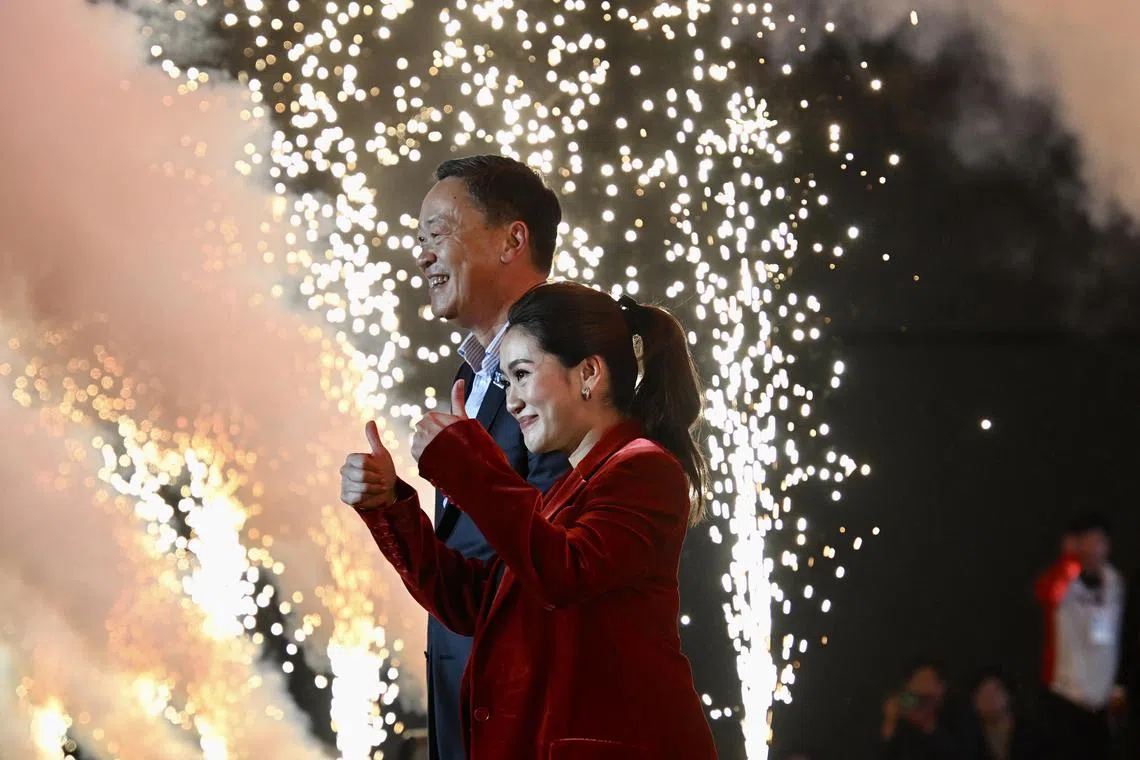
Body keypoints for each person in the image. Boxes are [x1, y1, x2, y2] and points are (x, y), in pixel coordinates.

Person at [340, 282, 718, 759]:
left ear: (588, 373)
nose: (513, 402)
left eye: (521, 374)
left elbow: (564, 573)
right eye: (507, 381)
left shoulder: (644, 467)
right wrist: (390, 505)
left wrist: (471, 466)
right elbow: (478, 605)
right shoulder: (569, 485)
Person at [405, 155, 570, 760]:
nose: (422, 255)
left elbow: (552, 553)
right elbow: (466, 567)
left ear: (512, 240)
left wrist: (461, 466)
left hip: (530, 717)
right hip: (474, 707)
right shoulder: (473, 377)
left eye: (437, 234)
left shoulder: (564, 365)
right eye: (417, 240)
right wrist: (390, 507)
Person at [1035, 513, 1125, 760]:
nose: (1094, 549)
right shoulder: (1063, 579)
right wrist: (1070, 562)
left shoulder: (1115, 582)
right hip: (1066, 695)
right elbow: (1046, 595)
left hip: (1102, 699)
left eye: (1100, 542)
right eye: (1087, 541)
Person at [880, 659, 974, 760]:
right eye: (916, 681)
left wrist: (928, 725)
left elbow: (963, 754)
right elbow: (883, 755)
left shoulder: (959, 711)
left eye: (926, 681)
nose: (921, 688)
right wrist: (890, 722)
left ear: (941, 687)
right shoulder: (904, 713)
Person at [968, 668, 1046, 760]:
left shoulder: (1032, 732)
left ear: (1008, 695)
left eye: (995, 690)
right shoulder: (967, 735)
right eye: (982, 692)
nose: (989, 697)